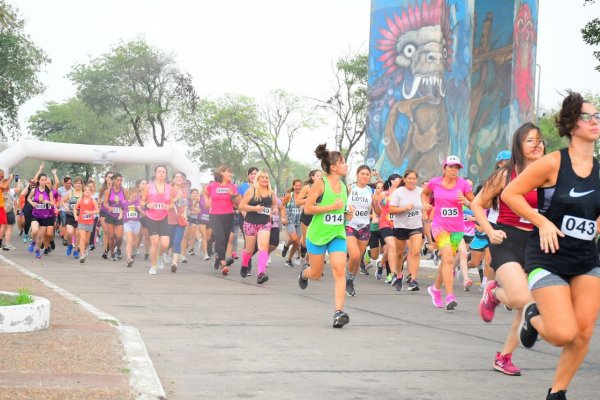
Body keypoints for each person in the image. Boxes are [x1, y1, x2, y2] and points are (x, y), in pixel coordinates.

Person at [502, 92, 600, 400]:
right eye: (587, 116)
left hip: (586, 259)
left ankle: (557, 392)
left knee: (583, 332)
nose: (594, 120)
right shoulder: (553, 163)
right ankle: (532, 317)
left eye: (597, 115)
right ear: (572, 124)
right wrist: (541, 221)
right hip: (548, 258)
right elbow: (511, 194)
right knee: (561, 334)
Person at [471, 122, 545, 377]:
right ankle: (493, 292)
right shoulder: (506, 174)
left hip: (536, 245)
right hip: (506, 239)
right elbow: (476, 203)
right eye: (530, 140)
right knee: (521, 298)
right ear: (519, 146)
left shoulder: (550, 175)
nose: (537, 145)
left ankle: (504, 357)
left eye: (540, 140)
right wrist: (489, 231)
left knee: (528, 304)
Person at [298, 144, 351, 328]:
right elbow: (308, 208)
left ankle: (338, 312)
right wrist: (331, 207)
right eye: (343, 162)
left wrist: (346, 215)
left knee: (339, 270)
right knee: (316, 274)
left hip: (337, 234)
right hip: (318, 235)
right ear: (333, 167)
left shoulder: (344, 187)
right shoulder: (320, 183)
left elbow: (341, 210)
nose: (346, 165)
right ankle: (304, 273)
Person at [422, 156, 474, 310]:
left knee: (446, 261)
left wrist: (466, 202)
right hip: (439, 226)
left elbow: (475, 203)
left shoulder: (463, 184)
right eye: (451, 167)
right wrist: (425, 204)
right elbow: (425, 194)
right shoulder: (435, 182)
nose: (454, 170)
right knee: (450, 260)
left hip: (457, 228)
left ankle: (435, 288)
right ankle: (450, 296)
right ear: (444, 168)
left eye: (457, 168)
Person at [238, 171, 278, 284]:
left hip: (265, 223)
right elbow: (241, 205)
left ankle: (261, 274)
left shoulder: (271, 192)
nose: (265, 179)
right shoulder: (252, 190)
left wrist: (274, 209)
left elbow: (275, 204)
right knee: (249, 250)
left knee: (263, 247)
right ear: (258, 179)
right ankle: (244, 265)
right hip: (251, 223)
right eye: (262, 177)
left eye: (267, 177)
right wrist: (255, 209)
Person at [345, 165, 377, 296]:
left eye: (367, 174)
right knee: (355, 255)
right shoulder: (349, 188)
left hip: (364, 226)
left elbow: (378, 211)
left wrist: (378, 204)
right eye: (362, 173)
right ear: (357, 175)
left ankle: (350, 280)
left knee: (358, 260)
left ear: (370, 177)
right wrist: (346, 212)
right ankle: (347, 277)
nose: (364, 176)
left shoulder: (372, 191)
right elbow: (341, 203)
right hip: (350, 225)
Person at [389, 169, 423, 292]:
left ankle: (413, 280)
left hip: (416, 226)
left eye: (414, 179)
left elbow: (425, 205)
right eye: (410, 178)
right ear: (404, 179)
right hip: (401, 226)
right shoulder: (399, 192)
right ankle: (398, 274)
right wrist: (404, 209)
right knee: (399, 254)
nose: (412, 181)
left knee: (415, 252)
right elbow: (391, 210)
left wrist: (427, 211)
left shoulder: (421, 191)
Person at [207, 165, 239, 275]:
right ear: (221, 173)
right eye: (228, 172)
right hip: (215, 215)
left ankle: (218, 257)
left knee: (225, 240)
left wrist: (233, 195)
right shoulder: (212, 186)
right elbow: (205, 193)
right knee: (219, 238)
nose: (230, 174)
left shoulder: (232, 186)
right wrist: (207, 202)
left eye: (231, 172)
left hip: (229, 215)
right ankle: (223, 263)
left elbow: (238, 203)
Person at [142, 165, 174, 275]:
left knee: (165, 244)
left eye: (163, 172)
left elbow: (171, 204)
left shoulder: (170, 188)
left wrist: (169, 207)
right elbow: (141, 202)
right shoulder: (148, 187)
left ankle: (159, 256)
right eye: (159, 171)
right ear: (155, 173)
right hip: (151, 217)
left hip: (163, 217)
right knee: (155, 242)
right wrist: (147, 205)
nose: (161, 173)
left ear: (166, 174)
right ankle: (153, 266)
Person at [27, 174, 55, 259]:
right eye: (42, 180)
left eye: (45, 180)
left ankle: (38, 250)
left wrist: (48, 202)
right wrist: (32, 203)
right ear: (38, 181)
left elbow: (52, 203)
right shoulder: (34, 190)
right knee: (35, 231)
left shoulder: (48, 191)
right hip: (35, 215)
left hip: (45, 216)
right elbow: (28, 198)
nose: (43, 181)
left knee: (41, 236)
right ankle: (33, 242)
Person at [73, 184, 100, 263]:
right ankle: (82, 255)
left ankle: (85, 250)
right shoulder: (80, 200)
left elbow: (97, 210)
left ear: (91, 192)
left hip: (90, 222)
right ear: (83, 192)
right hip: (81, 221)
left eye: (89, 190)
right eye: (85, 190)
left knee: (86, 241)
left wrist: (90, 212)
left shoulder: (93, 200)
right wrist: (75, 216)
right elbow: (75, 209)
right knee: (82, 238)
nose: (87, 191)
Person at [281, 180, 303, 267]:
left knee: (297, 243)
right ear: (293, 186)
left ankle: (289, 259)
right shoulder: (289, 196)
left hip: (299, 221)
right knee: (295, 239)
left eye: (300, 186)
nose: (298, 187)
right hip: (289, 220)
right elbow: (281, 205)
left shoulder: (303, 196)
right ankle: (286, 245)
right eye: (296, 186)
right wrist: (283, 217)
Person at [62, 177, 84, 258]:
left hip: (80, 217)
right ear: (73, 184)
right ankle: (70, 245)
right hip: (70, 216)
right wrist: (65, 206)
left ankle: (75, 251)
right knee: (70, 232)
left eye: (79, 183)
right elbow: (62, 201)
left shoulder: (84, 194)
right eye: (76, 183)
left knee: (78, 233)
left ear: (82, 185)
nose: (78, 185)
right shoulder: (70, 193)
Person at [121, 187, 143, 268]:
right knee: (129, 241)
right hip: (127, 223)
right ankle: (129, 259)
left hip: (136, 223)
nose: (134, 198)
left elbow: (142, 213)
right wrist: (121, 214)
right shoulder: (124, 202)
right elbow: (121, 209)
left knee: (135, 242)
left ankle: (134, 251)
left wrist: (140, 210)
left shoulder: (138, 202)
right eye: (133, 196)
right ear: (129, 195)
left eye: (136, 196)